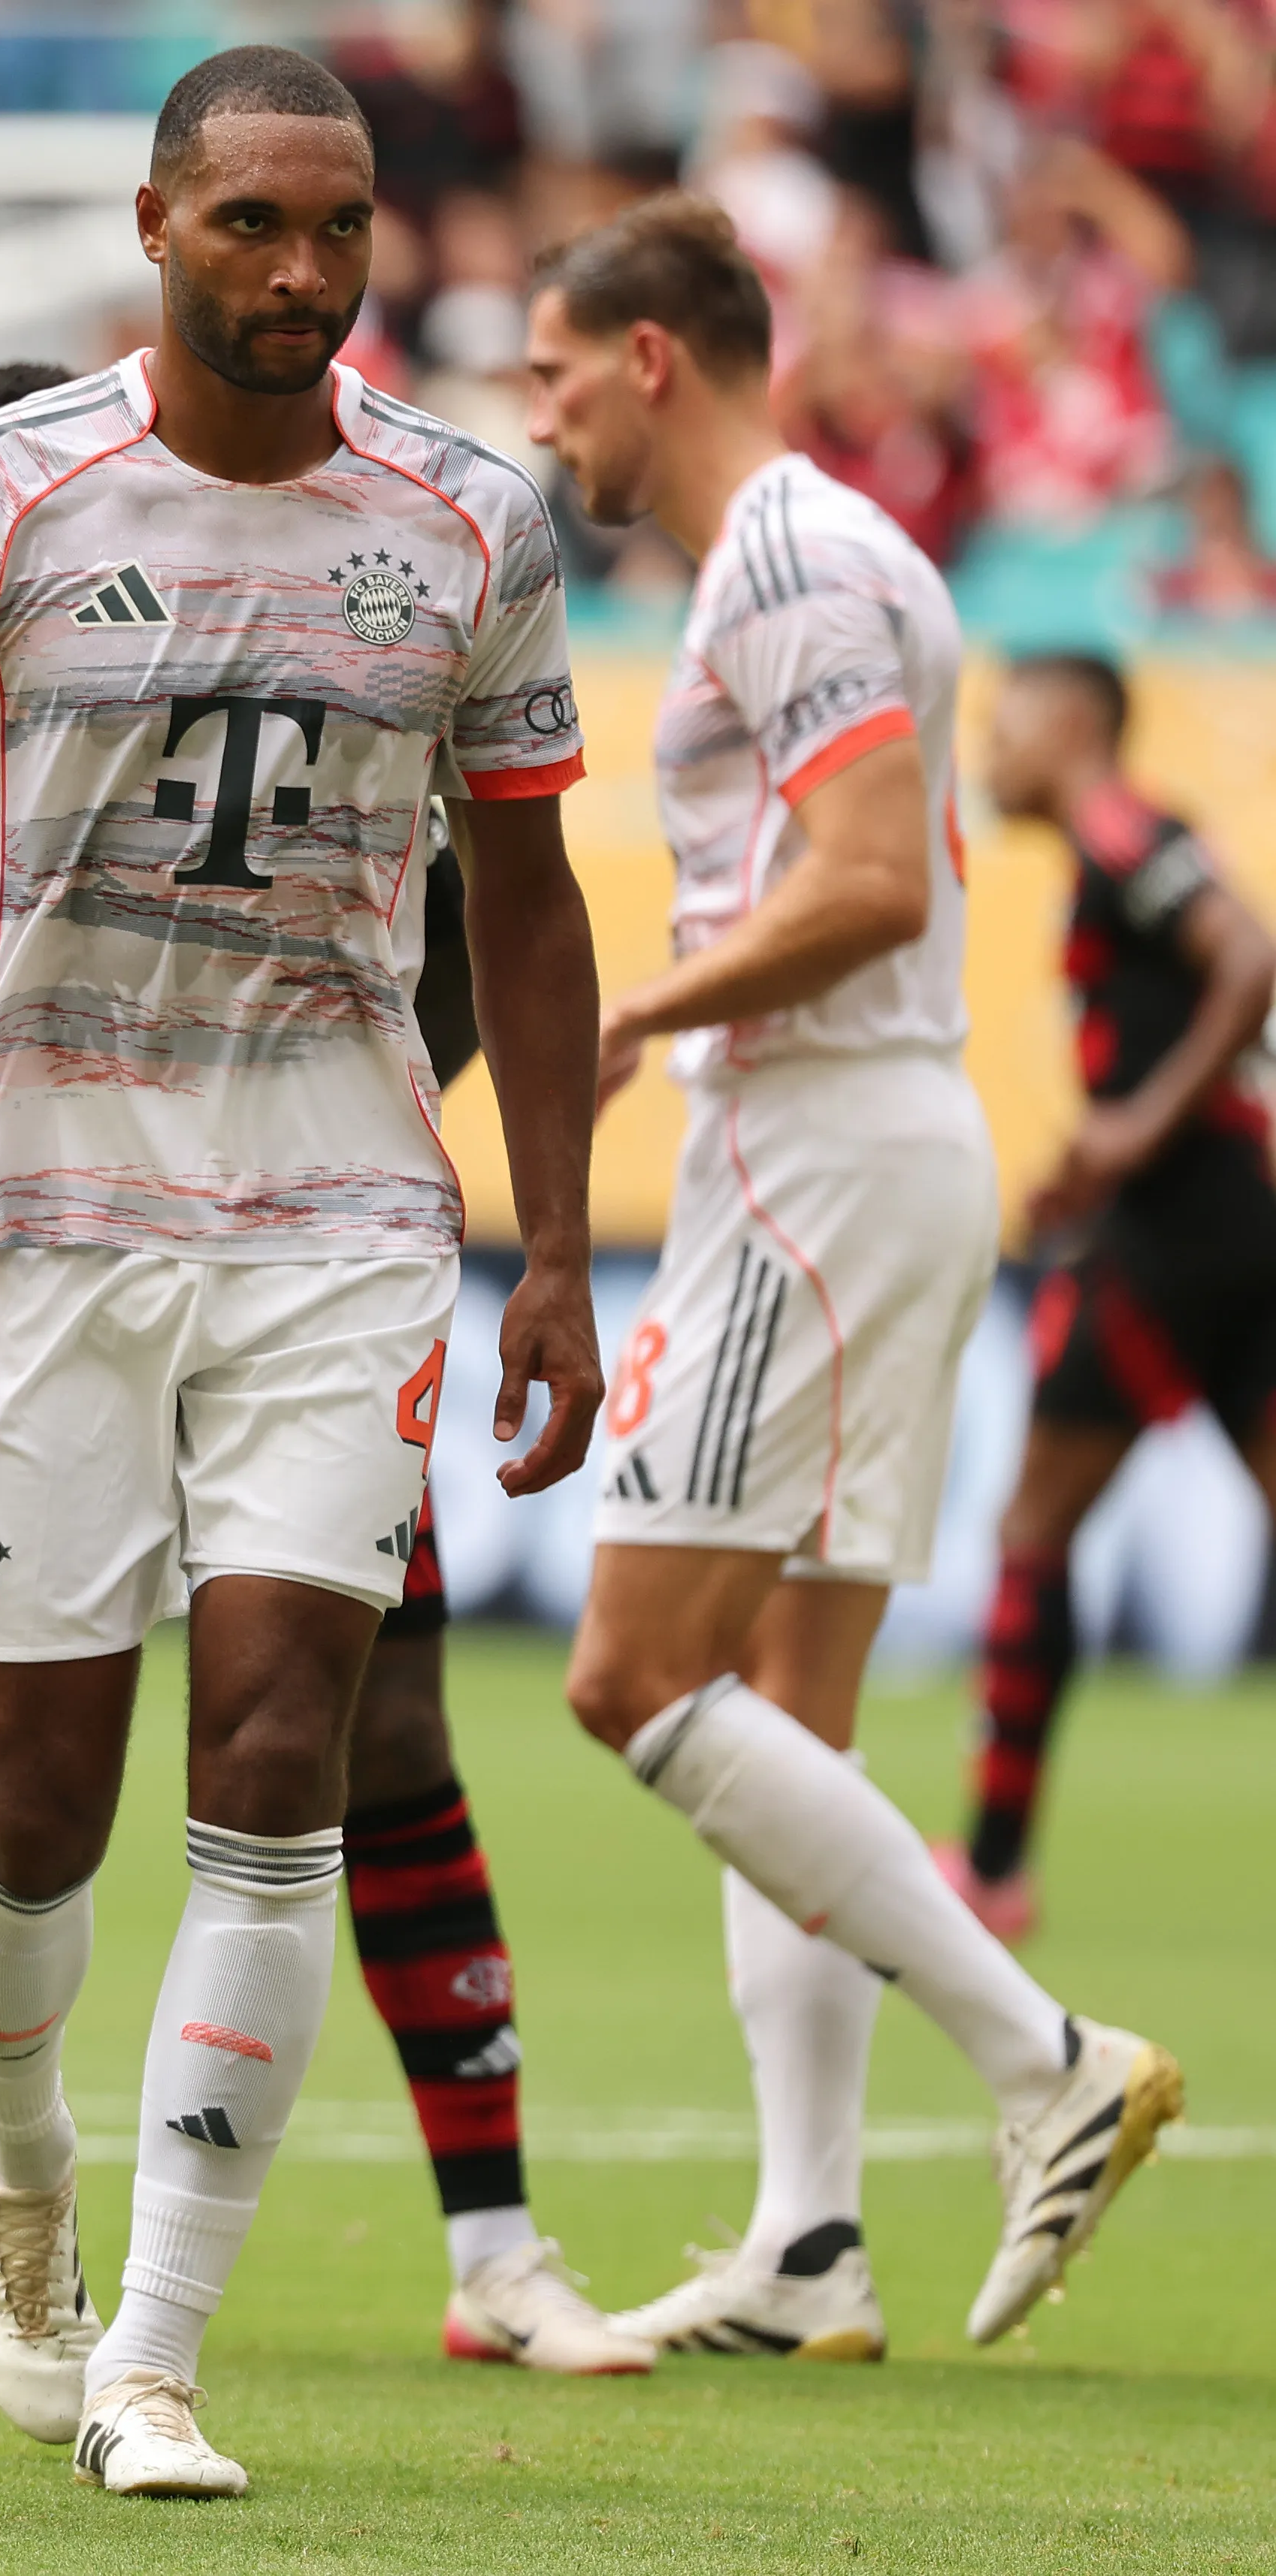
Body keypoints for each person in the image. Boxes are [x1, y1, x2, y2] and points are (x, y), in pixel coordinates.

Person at [0, 49, 610, 2500]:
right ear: (153, 222)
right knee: (22, 1804)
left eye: (337, 227)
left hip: (338, 1222)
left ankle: (154, 2350)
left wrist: (554, 1242)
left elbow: (529, 893)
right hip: (43, 1221)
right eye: (250, 221)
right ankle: (6, 2141)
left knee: (272, 1756)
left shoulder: (469, 519)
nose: (300, 270)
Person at [520, 196, 1181, 2366]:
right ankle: (807, 2234)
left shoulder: (786, 560)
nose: (540, 421)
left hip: (807, 1151)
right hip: (872, 1141)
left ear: (646, 357)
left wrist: (643, 1005)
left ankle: (1039, 2056)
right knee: (776, 1708)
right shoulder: (822, 550)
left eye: (551, 375)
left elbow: (873, 870)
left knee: (630, 1675)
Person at [939, 654, 1276, 1940]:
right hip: (1228, 1217)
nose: (989, 744)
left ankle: (990, 1866)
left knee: (1032, 1523)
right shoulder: (1108, 852)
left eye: (1008, 717)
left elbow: (1247, 955)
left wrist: (1131, 1132)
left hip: (1175, 1233)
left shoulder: (1123, 829)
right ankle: (991, 1865)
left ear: (1073, 720)